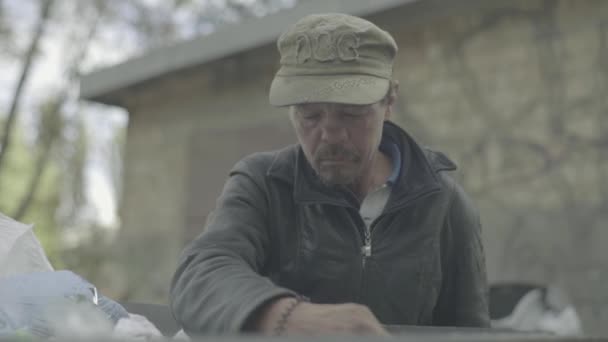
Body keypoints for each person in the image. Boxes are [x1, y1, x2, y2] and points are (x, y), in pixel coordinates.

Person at [170, 13, 489, 336]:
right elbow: (201, 272)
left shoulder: (445, 204)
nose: (331, 135)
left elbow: (468, 332)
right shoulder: (264, 183)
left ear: (389, 100)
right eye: (310, 115)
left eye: (351, 113)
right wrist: (287, 318)